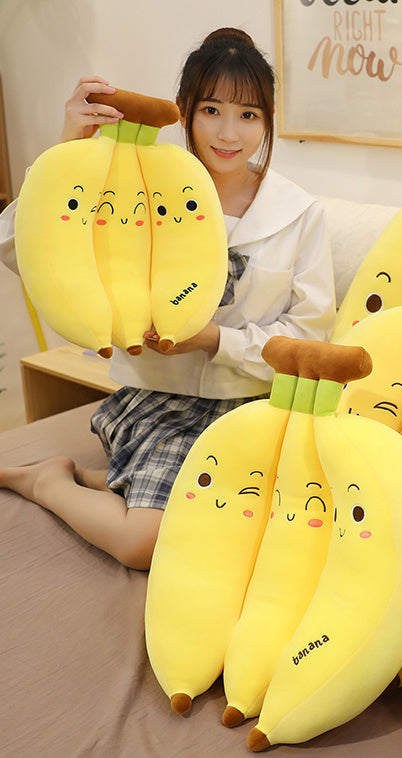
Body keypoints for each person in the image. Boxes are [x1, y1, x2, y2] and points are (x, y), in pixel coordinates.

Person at [0, 28, 336, 570]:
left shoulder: (299, 214)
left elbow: (310, 336)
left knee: (270, 531)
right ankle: (47, 482)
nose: (229, 133)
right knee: (143, 544)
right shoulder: (135, 185)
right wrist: (68, 147)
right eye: (211, 110)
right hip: (164, 400)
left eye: (249, 115)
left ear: (269, 119)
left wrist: (214, 340)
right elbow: (30, 252)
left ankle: (107, 480)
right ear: (184, 110)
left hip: (255, 405)